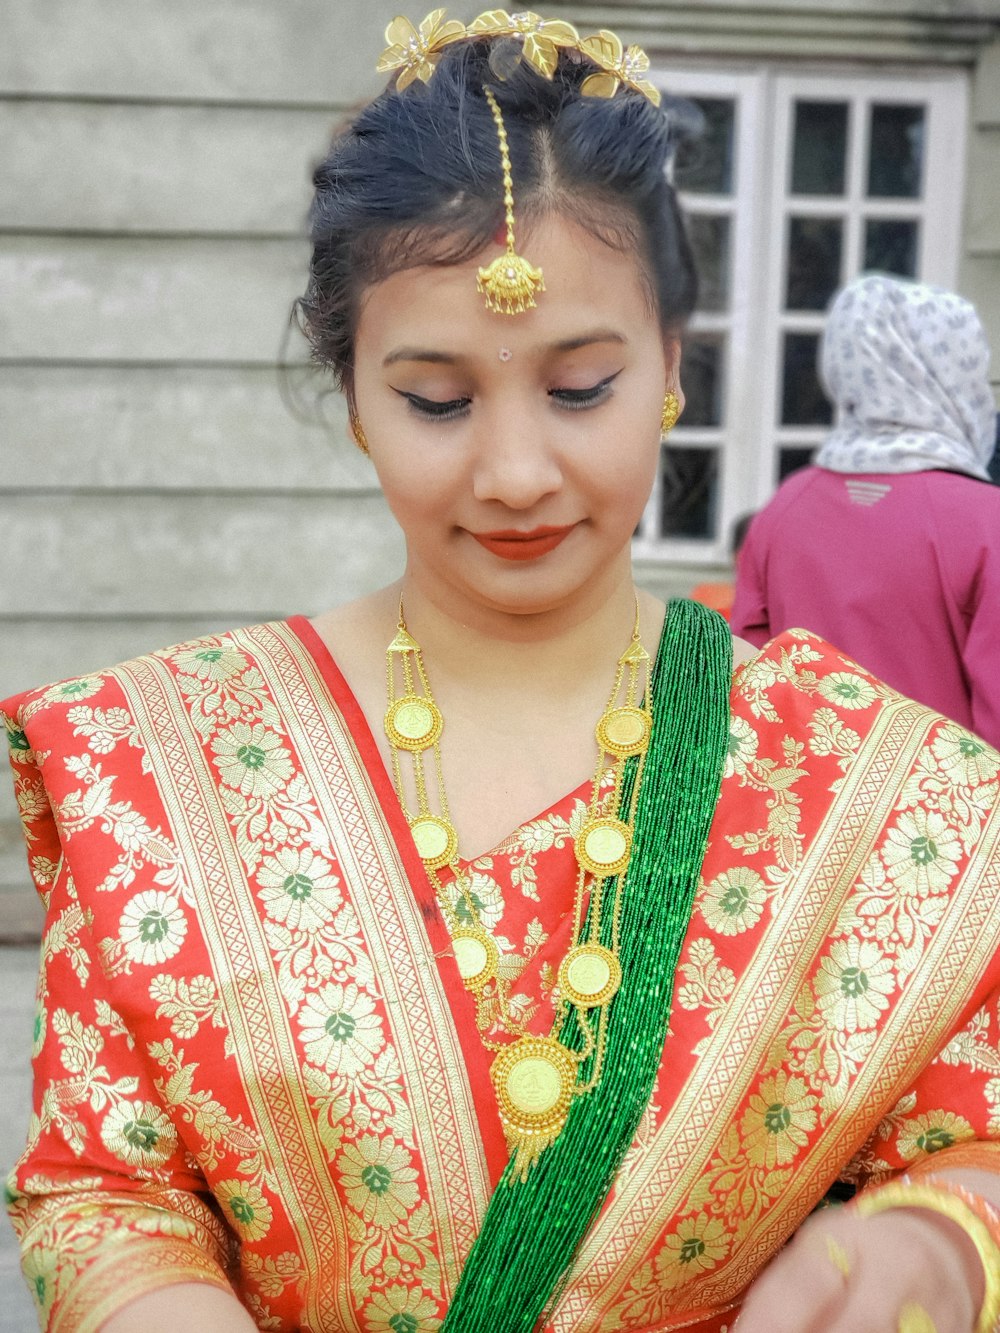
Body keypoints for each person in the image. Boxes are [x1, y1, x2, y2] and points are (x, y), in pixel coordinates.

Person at [4, 14, 1000, 1333]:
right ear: (353, 394)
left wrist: (927, 1255)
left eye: (582, 386)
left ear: (672, 373)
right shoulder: (160, 766)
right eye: (436, 400)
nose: (518, 471)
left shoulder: (877, 794)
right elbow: (103, 1187)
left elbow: (968, 1137)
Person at [731, 273, 1000, 749]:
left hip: (806, 810)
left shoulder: (785, 509)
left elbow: (746, 682)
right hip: (939, 816)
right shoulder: (984, 520)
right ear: (948, 377)